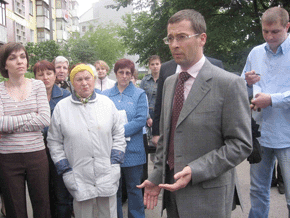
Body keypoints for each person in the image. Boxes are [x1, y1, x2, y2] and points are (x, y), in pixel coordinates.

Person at [138, 9, 252, 217]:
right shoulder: (171, 82)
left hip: (208, 197)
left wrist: (196, 170)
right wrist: (156, 175)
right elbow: (167, 137)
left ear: (202, 39)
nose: (174, 44)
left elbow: (241, 145)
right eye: (170, 38)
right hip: (172, 195)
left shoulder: (229, 84)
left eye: (182, 37)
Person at [47, 64, 126, 218]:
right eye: (79, 79)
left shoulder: (106, 104)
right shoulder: (62, 108)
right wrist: (65, 169)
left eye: (87, 78)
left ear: (94, 80)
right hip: (78, 173)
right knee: (83, 213)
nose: (84, 83)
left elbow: (119, 134)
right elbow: (54, 141)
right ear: (72, 83)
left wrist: (115, 162)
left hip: (106, 170)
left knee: (109, 213)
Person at [241, 7, 290, 217]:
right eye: (265, 31)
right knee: (257, 190)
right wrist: (247, 81)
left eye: (275, 32)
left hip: (287, 135)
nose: (269, 37)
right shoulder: (255, 52)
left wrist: (272, 100)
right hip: (261, 133)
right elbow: (244, 81)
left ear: (287, 27)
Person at [0, 42, 51, 217]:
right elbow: (0, 124)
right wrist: (30, 116)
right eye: (12, 58)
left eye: (23, 56)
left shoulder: (37, 86)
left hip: (36, 154)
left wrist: (10, 125)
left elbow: (44, 119)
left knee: (42, 205)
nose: (19, 61)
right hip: (8, 158)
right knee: (15, 209)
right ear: (4, 64)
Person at [102, 59, 147, 218]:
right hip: (111, 150)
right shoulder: (105, 95)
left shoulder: (139, 94)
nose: (124, 75)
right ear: (115, 74)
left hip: (133, 151)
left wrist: (117, 131)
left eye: (128, 72)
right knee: (114, 190)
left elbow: (141, 119)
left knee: (134, 189)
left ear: (132, 74)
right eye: (121, 72)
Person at [33, 60, 72, 218]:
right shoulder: (30, 96)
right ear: (34, 77)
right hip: (37, 150)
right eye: (40, 74)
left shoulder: (65, 96)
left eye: (49, 73)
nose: (45, 78)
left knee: (62, 193)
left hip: (60, 150)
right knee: (43, 194)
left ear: (55, 75)